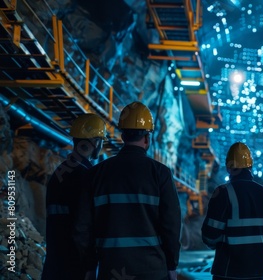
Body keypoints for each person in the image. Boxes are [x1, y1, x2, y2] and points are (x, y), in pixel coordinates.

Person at [74, 101, 181, 280]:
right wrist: (172, 265)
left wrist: (90, 267)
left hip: (111, 269)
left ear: (122, 136)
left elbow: (81, 227)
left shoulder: (96, 174)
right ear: (147, 138)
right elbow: (171, 225)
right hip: (152, 270)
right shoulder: (161, 173)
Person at [42, 113, 106, 280]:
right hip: (75, 266)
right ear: (96, 142)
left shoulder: (59, 173)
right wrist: (90, 265)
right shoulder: (86, 176)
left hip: (54, 263)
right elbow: (82, 228)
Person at [202, 142, 263, 280]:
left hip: (228, 272)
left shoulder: (223, 192)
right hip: (257, 272)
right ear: (250, 166)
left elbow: (210, 235)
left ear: (229, 168)